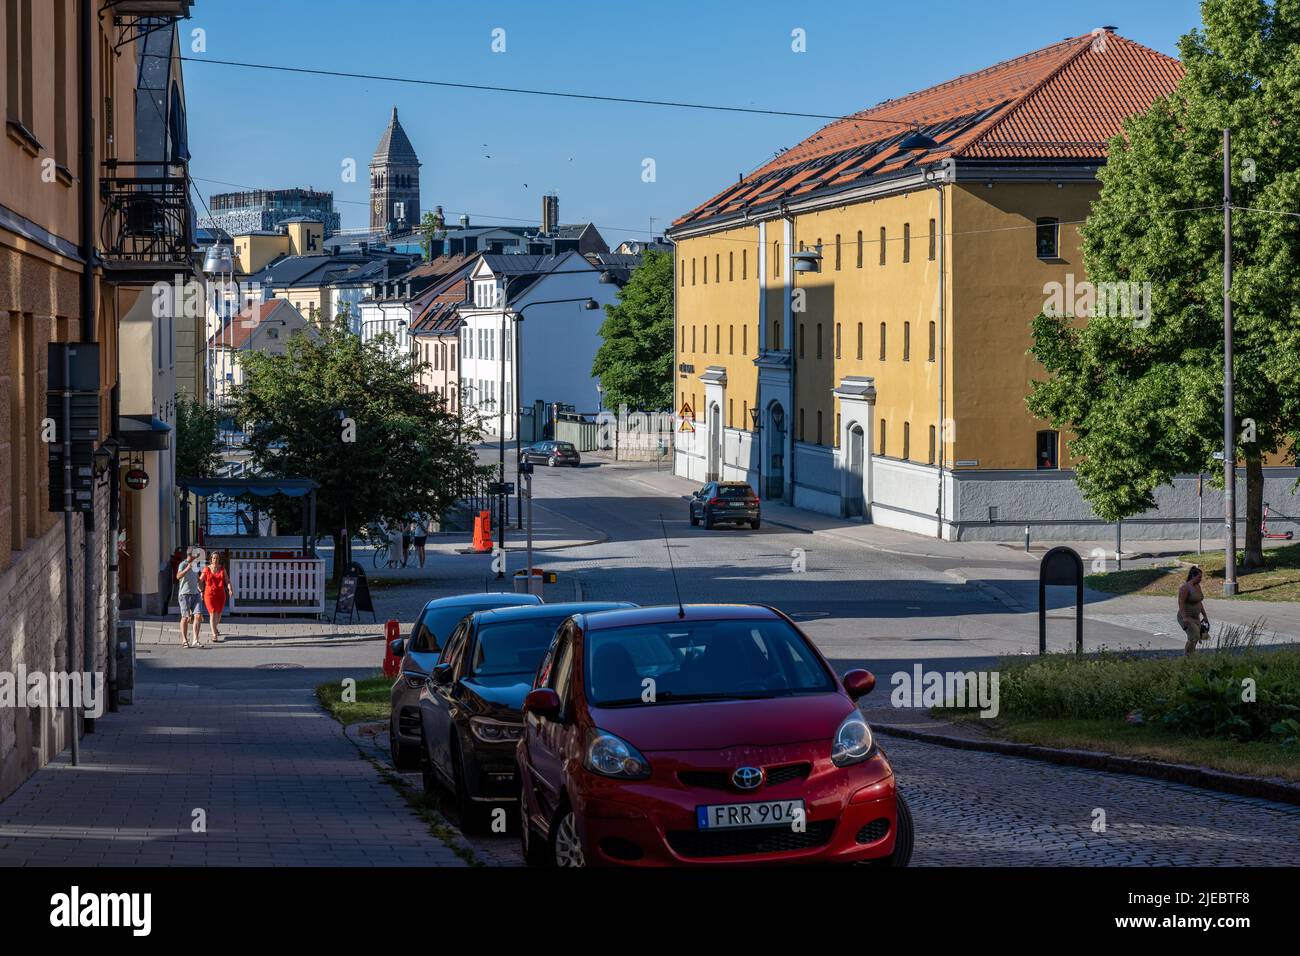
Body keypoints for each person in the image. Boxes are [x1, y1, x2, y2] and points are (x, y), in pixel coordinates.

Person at [200, 551, 233, 644]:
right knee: (212, 613)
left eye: (217, 558)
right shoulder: (206, 569)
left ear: (219, 559)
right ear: (211, 559)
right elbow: (200, 581)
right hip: (209, 594)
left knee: (218, 615)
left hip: (220, 595)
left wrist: (230, 589)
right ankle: (214, 634)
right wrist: (200, 591)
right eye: (214, 558)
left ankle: (214, 627)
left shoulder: (222, 569)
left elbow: (227, 581)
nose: (215, 560)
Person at [176, 547, 205, 648]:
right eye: (196, 554)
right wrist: (187, 569)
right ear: (190, 555)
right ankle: (184, 640)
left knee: (198, 615)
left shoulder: (195, 566)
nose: (197, 556)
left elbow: (197, 580)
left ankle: (195, 640)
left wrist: (201, 590)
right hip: (184, 594)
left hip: (196, 594)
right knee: (185, 617)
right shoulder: (182, 564)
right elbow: (178, 576)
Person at [1177, 565, 1210, 655]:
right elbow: (1181, 602)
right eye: (1199, 577)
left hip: (1196, 617)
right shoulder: (1185, 588)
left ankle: (1191, 655)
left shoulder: (1198, 587)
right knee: (1193, 636)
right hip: (1186, 617)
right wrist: (1184, 617)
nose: (1200, 579)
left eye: (1201, 577)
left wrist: (1205, 615)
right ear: (1193, 576)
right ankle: (1187, 656)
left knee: (1196, 637)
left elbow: (1199, 601)